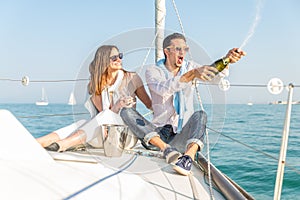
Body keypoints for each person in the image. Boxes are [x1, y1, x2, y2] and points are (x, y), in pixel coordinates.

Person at [120, 33, 246, 175]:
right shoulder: (153, 71)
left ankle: (187, 158)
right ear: (167, 51)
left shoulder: (190, 67)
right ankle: (166, 149)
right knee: (126, 112)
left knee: (200, 115)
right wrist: (191, 75)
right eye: (178, 49)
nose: (183, 53)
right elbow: (163, 89)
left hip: (180, 136)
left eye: (185, 49)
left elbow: (213, 76)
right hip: (157, 135)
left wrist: (227, 60)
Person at [37, 45, 152, 152]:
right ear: (103, 61)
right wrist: (117, 106)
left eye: (120, 56)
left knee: (105, 115)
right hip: (104, 137)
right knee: (81, 122)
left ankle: (64, 144)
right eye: (114, 58)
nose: (119, 60)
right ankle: (38, 142)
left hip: (124, 137)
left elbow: (149, 104)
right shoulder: (96, 85)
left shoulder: (132, 78)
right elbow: (104, 118)